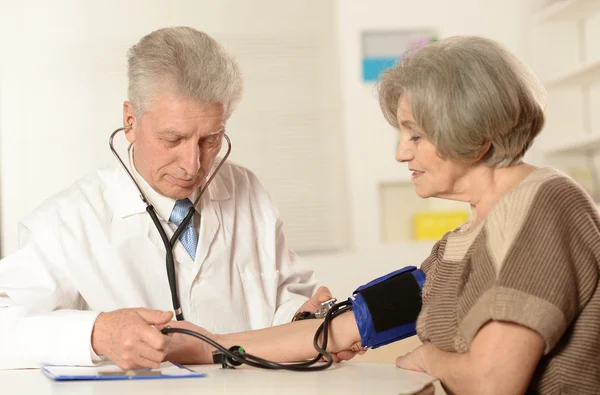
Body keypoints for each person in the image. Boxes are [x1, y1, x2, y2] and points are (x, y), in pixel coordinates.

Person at [164, 36, 600, 394]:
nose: (400, 152)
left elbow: (494, 381)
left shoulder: (544, 205)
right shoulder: (459, 244)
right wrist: (209, 346)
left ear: (475, 135)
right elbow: (344, 328)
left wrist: (428, 359)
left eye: (415, 134)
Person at [0, 27, 335, 370]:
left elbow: (280, 296)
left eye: (210, 139)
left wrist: (301, 314)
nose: (193, 164)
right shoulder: (66, 222)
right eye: (172, 139)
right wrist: (98, 332)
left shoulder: (246, 189)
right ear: (130, 121)